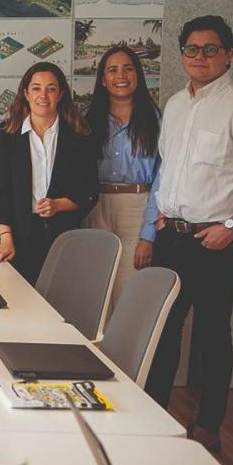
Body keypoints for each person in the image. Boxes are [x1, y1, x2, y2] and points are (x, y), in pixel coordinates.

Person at [145, 15, 233, 451]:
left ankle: (208, 426)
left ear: (229, 54)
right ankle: (153, 418)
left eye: (210, 49)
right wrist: (161, 216)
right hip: (172, 235)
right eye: (191, 49)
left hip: (217, 239)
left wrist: (232, 225)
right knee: (163, 330)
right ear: (182, 55)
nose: (200, 57)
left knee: (211, 333)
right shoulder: (175, 105)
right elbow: (169, 167)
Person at [0, 62, 99, 283]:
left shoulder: (79, 135)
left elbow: (90, 191)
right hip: (15, 239)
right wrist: (6, 238)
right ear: (26, 94)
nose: (43, 95)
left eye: (51, 88)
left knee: (59, 300)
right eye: (36, 88)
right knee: (16, 300)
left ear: (61, 94)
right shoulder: (7, 134)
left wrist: (58, 204)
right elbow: (0, 192)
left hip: (63, 239)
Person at [83, 46, 162, 305]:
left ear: (138, 75)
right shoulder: (86, 119)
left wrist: (148, 235)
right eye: (113, 70)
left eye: (128, 69)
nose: (121, 76)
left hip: (137, 208)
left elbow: (161, 179)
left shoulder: (156, 120)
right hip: (95, 205)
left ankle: (123, 335)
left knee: (127, 290)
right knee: (94, 289)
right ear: (102, 79)